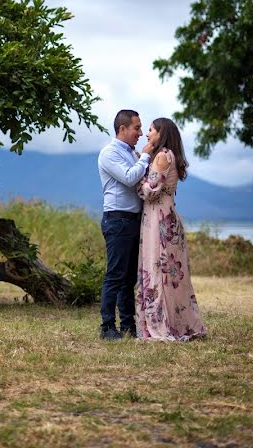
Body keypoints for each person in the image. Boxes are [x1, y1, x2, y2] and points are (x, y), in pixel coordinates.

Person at [135, 117, 207, 341]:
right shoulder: (169, 155)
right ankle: (178, 323)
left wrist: (135, 177)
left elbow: (149, 191)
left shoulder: (161, 156)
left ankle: (162, 326)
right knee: (169, 274)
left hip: (158, 220)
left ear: (161, 133)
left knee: (158, 270)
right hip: (165, 217)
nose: (147, 134)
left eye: (150, 130)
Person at [97, 109, 154, 340]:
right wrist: (146, 156)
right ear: (122, 129)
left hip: (133, 220)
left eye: (141, 128)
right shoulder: (109, 153)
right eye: (137, 128)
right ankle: (107, 327)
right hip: (117, 219)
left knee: (129, 278)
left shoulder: (132, 152)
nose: (140, 133)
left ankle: (129, 325)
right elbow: (131, 178)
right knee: (115, 275)